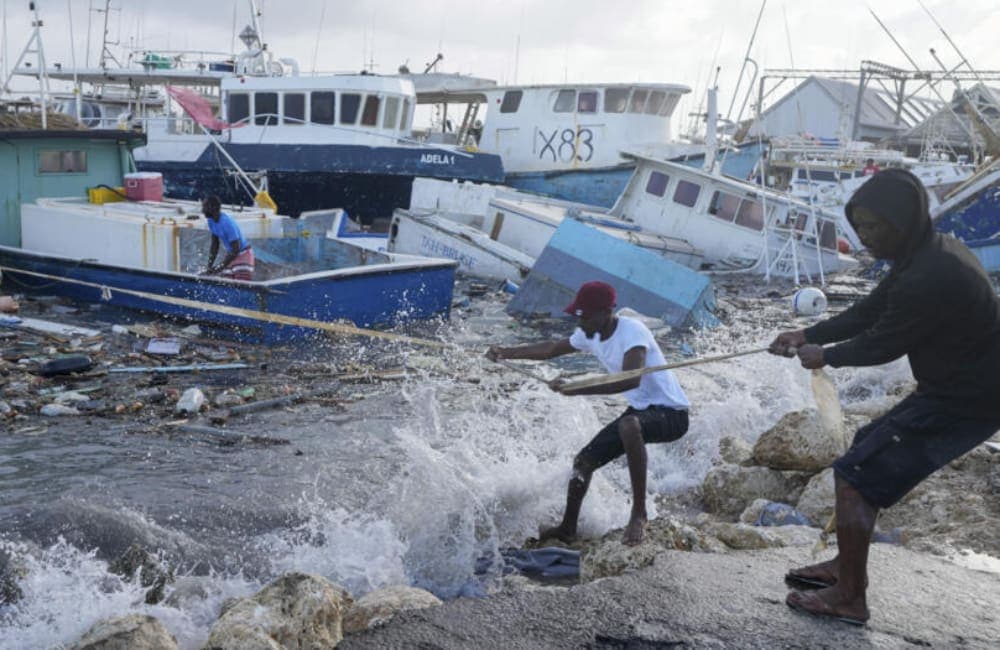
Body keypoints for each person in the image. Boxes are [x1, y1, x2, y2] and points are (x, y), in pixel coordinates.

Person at [769, 168, 1000, 626]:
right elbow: (869, 312)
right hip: (958, 387)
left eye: (874, 227)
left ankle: (850, 597)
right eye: (860, 228)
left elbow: (882, 344)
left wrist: (823, 355)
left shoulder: (929, 273)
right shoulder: (924, 253)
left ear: (903, 220)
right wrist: (806, 332)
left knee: (855, 475)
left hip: (971, 398)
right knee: (865, 445)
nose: (865, 237)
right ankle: (844, 566)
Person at [486, 281, 690, 546]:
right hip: (641, 412)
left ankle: (639, 513)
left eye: (586, 317)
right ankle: (568, 528)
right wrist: (506, 352)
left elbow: (630, 380)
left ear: (607, 313)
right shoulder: (590, 334)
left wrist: (577, 388)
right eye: (578, 317)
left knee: (629, 425)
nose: (580, 324)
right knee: (583, 462)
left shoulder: (633, 332)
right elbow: (550, 349)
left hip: (672, 414)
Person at [202, 195, 254, 280]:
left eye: (205, 207)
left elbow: (236, 249)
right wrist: (209, 266)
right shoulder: (211, 221)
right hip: (231, 255)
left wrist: (220, 267)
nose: (203, 210)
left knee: (241, 286)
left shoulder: (227, 223)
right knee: (225, 284)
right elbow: (214, 245)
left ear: (214, 208)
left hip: (243, 255)